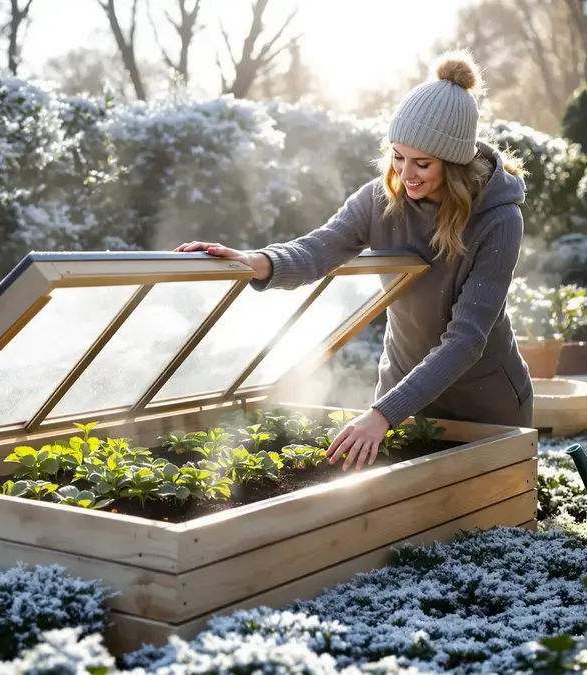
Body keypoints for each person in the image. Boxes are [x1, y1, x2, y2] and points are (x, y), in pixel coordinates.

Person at [174, 50, 532, 472]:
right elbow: (319, 248)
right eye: (397, 155)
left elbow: (467, 339)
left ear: (454, 163)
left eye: (422, 163)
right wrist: (255, 262)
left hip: (484, 406)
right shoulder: (380, 199)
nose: (405, 173)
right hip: (403, 396)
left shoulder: (498, 219)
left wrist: (381, 414)